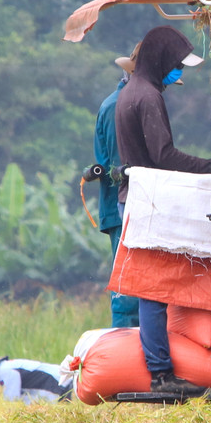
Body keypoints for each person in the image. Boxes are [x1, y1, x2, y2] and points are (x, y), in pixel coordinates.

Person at [115, 25, 211, 395]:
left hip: (138, 195)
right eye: (177, 65)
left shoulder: (130, 92)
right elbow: (164, 156)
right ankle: (161, 373)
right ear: (161, 59)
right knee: (155, 291)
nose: (179, 73)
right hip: (149, 199)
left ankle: (161, 368)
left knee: (152, 292)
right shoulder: (147, 97)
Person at [95, 49, 139, 328]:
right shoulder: (115, 108)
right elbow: (116, 165)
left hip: (133, 207)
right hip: (120, 207)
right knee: (127, 289)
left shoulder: (131, 103)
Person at [0, 353, 73, 403]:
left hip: (57, 383)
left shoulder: (4, 371)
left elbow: (12, 400)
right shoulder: (7, 367)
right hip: (63, 380)